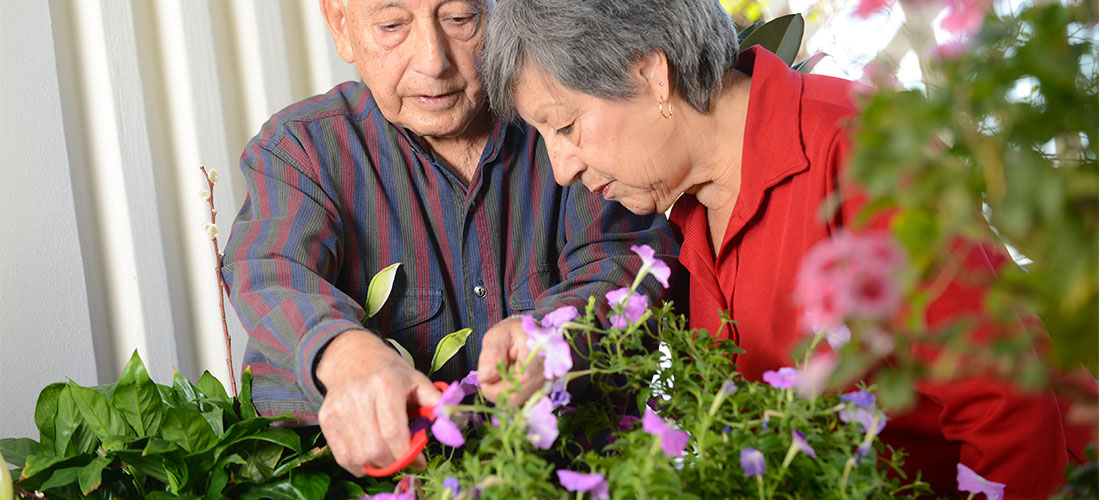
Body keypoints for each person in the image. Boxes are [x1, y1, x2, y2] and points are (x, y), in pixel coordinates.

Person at [481, 0, 1096, 497]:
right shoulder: (689, 210)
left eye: (565, 128)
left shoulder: (858, 150)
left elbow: (1009, 411)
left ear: (651, 75)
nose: (561, 168)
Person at [219, 0, 679, 477]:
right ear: (341, 25)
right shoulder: (303, 149)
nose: (433, 61)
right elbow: (271, 269)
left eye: (461, 18)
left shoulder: (565, 122)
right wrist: (349, 358)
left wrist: (552, 336)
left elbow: (624, 259)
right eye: (392, 25)